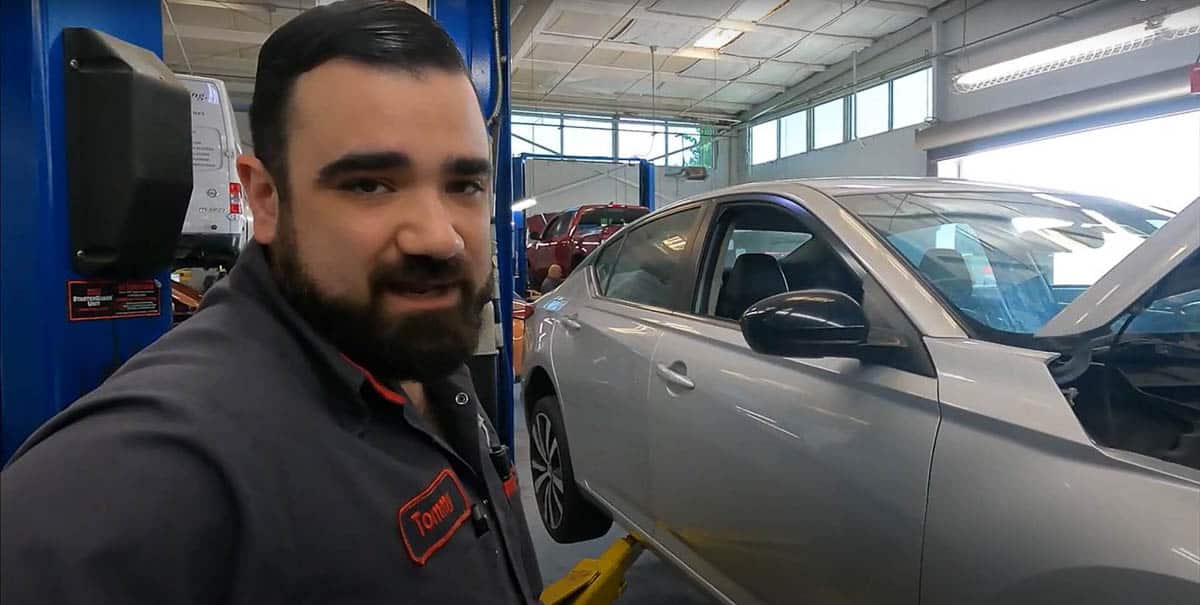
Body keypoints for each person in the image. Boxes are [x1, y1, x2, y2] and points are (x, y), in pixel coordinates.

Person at [0, 2, 542, 603]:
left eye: (464, 184)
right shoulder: (154, 468)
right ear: (265, 198)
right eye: (369, 185)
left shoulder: (403, 339)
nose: (438, 236)